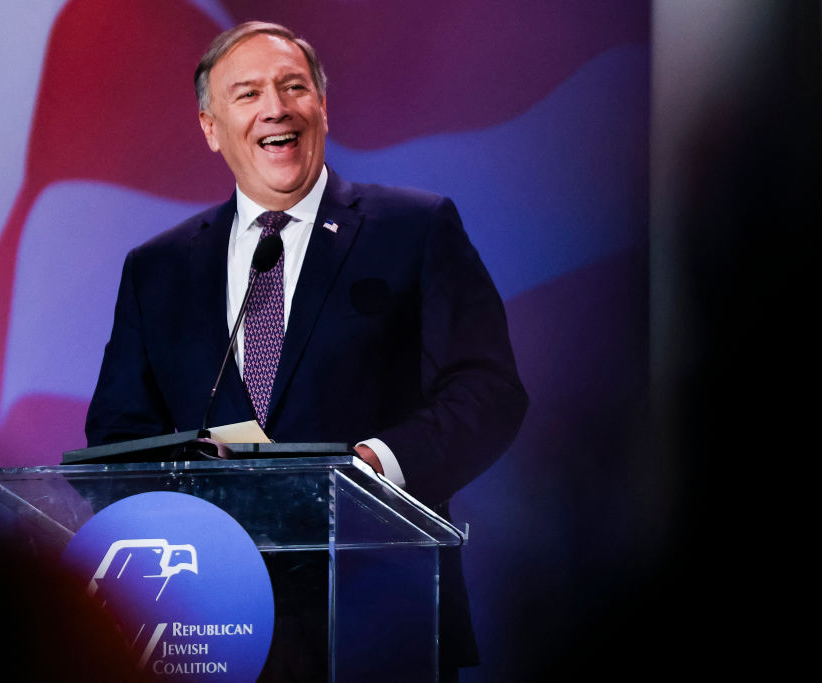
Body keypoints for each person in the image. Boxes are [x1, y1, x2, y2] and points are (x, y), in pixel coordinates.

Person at [86, 21, 527, 678]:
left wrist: (378, 464)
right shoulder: (158, 268)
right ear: (210, 127)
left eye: (294, 87)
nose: (276, 107)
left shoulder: (413, 227)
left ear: (321, 105)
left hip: (381, 613)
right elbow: (117, 433)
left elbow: (488, 388)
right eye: (249, 92)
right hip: (209, 623)